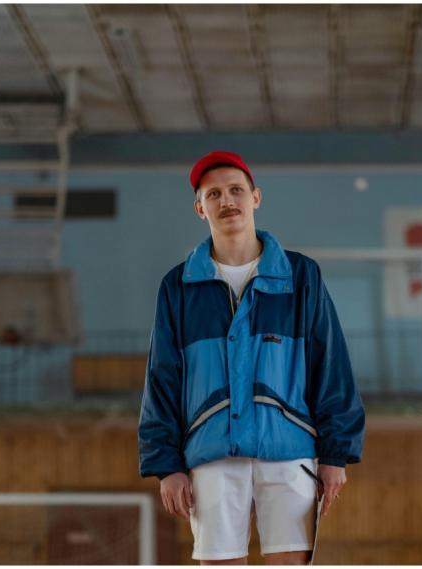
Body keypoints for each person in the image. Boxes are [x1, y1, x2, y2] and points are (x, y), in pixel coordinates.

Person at [138, 151, 365, 565]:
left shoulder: (301, 276)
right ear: (199, 208)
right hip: (211, 452)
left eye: (236, 190)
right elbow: (162, 379)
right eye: (214, 194)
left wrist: (336, 454)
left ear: (256, 197)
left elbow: (331, 366)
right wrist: (166, 464)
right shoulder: (178, 287)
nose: (227, 201)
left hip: (291, 451)